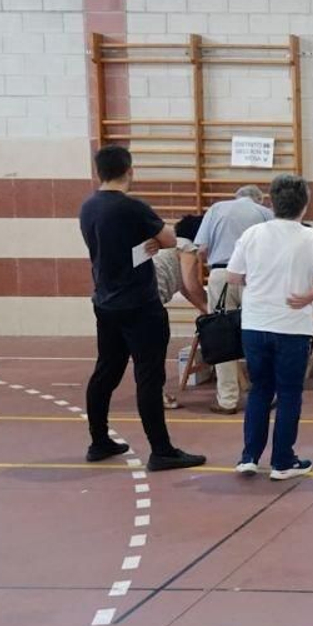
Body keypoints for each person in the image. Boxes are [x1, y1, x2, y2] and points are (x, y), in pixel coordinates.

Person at [77, 145, 206, 472]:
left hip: (105, 301)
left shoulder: (88, 207)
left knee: (106, 370)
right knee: (149, 377)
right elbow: (170, 239)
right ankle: (161, 450)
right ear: (130, 170)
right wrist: (151, 243)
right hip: (139, 304)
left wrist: (144, 246)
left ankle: (98, 440)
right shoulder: (131, 208)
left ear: (99, 172)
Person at [225, 174, 313, 481]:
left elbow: (232, 275)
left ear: (270, 202)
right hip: (293, 326)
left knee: (260, 390)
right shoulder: (311, 237)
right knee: (289, 393)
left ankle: (249, 456)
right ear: (304, 206)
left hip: (255, 323)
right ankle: (283, 460)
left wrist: (257, 282)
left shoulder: (253, 233)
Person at [192, 185, 272, 414]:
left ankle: (227, 400)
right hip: (255, 278)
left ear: (236, 197)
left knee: (222, 337)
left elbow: (201, 250)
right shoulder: (264, 213)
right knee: (259, 335)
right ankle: (264, 395)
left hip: (221, 275)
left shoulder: (216, 209)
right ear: (259, 199)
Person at [152, 214, 208, 410]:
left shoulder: (170, 245)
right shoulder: (187, 247)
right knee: (153, 352)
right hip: (149, 302)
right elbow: (191, 285)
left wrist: (205, 308)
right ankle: (155, 396)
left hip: (132, 299)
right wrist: (211, 311)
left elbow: (185, 289)